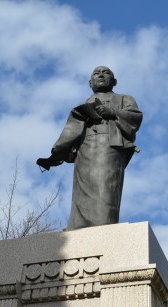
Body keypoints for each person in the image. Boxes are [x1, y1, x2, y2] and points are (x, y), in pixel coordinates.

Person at [37, 66, 143, 230]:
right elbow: (71, 131)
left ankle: (104, 226)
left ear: (114, 81)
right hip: (84, 147)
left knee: (105, 187)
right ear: (90, 83)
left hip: (109, 145)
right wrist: (56, 155)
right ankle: (78, 226)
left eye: (106, 72)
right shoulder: (84, 103)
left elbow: (135, 117)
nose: (101, 74)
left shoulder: (125, 99)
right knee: (81, 190)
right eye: (96, 73)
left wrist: (113, 112)